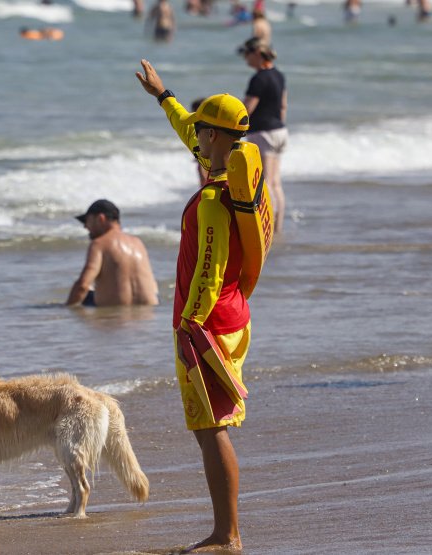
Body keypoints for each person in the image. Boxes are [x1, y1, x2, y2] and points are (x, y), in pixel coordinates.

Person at [136, 59, 253, 553]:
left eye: (203, 132)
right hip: (231, 315)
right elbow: (190, 129)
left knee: (211, 429)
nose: (195, 139)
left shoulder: (211, 201)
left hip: (206, 327)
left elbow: (209, 268)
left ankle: (226, 536)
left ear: (217, 139)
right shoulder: (235, 172)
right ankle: (226, 532)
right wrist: (164, 96)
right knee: (212, 426)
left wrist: (188, 328)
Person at [66, 200, 160, 307]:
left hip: (117, 313)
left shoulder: (99, 244)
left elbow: (82, 285)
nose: (85, 226)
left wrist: (66, 310)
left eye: (86, 221)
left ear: (100, 218)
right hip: (149, 314)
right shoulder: (138, 243)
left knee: (85, 293)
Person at [239, 36, 287, 234]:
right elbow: (283, 106)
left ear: (256, 53)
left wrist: (233, 129)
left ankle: (266, 231)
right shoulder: (278, 75)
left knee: (265, 182)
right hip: (280, 131)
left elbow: (247, 108)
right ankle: (277, 228)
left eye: (246, 54)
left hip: (263, 132)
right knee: (275, 182)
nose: (245, 59)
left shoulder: (258, 78)